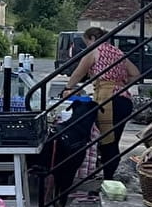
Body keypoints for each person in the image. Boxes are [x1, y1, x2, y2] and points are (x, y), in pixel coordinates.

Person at [59, 26, 141, 183]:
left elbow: (79, 72)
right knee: (114, 141)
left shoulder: (94, 51)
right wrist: (121, 84)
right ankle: (109, 176)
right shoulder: (117, 52)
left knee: (106, 142)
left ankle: (108, 179)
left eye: (86, 42)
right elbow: (135, 73)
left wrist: (68, 88)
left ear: (92, 39)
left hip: (107, 99)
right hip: (124, 100)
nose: (86, 46)